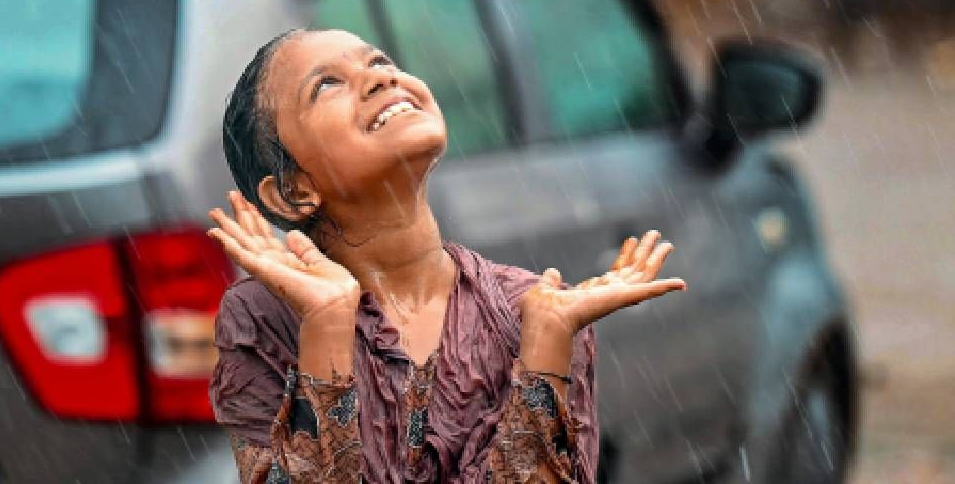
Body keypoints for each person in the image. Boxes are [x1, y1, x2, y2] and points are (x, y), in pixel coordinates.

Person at [207, 28, 687, 483]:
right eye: (328, 85)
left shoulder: (535, 310)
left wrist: (546, 348)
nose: (383, 76)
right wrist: (327, 326)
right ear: (293, 191)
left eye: (379, 61)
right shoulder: (262, 319)